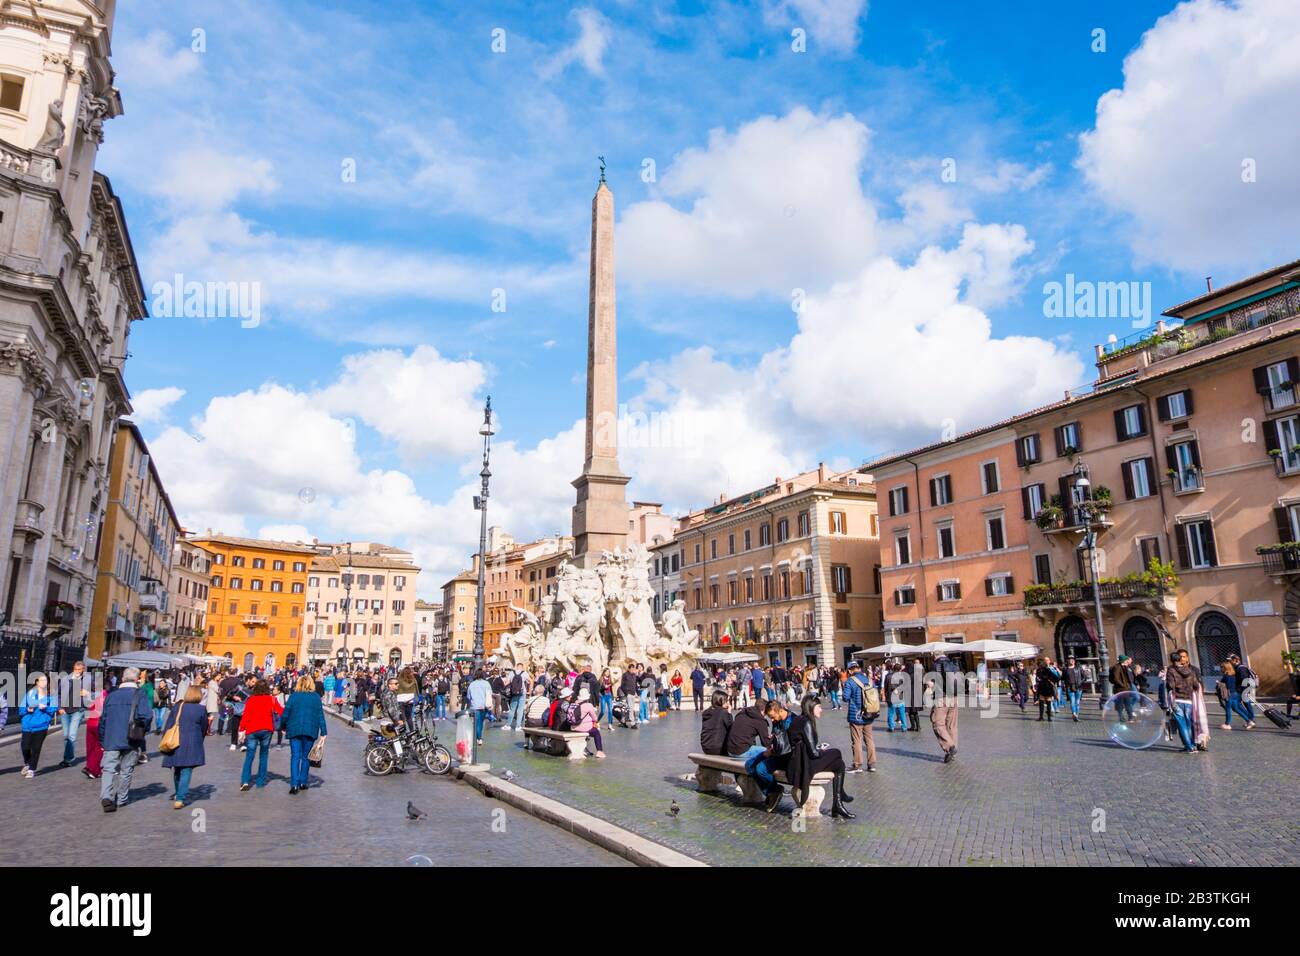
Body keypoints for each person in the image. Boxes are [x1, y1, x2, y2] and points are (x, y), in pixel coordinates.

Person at [788, 696, 855, 819]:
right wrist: (822, 751)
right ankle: (839, 799)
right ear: (811, 707)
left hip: (798, 762)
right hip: (806, 764)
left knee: (839, 764)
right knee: (836, 752)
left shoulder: (798, 719)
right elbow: (813, 753)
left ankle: (838, 803)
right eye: (819, 707)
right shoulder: (807, 722)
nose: (821, 710)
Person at [98, 667, 153, 811]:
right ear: (137, 680)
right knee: (126, 770)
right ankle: (122, 798)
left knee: (108, 769)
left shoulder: (111, 695)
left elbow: (103, 719)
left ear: (122, 679)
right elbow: (146, 716)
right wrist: (142, 731)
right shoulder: (140, 695)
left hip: (111, 738)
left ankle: (107, 797)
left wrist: (103, 738)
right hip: (131, 738)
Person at [161, 686, 208, 809]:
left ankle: (178, 793)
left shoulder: (178, 707)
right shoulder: (201, 709)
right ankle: (180, 798)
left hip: (176, 741)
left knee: (177, 769)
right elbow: (204, 727)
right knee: (186, 770)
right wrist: (200, 739)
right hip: (192, 742)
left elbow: (169, 725)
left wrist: (165, 740)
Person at [280, 675, 327, 794]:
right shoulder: (316, 697)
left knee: (295, 756)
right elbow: (320, 715)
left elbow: (286, 713)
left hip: (294, 729)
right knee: (306, 757)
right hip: (310, 729)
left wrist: (282, 726)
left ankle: (294, 784)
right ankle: (303, 782)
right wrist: (323, 732)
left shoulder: (294, 696)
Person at [745, 700, 793, 812]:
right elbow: (776, 738)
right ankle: (772, 792)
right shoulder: (776, 720)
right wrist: (772, 743)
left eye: (772, 717)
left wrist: (772, 751)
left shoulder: (791, 721)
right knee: (749, 765)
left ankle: (774, 791)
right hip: (775, 752)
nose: (771, 720)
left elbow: (789, 745)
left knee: (760, 769)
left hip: (786, 756)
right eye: (769, 717)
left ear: (780, 711)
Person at [238, 680, 282, 791]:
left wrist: (242, 729)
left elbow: (246, 715)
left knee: (249, 756)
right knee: (263, 755)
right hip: (267, 730)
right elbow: (281, 712)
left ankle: (245, 781)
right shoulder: (272, 699)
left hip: (252, 730)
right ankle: (261, 781)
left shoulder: (251, 700)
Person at [1165, 649, 1205, 754]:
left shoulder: (1171, 670)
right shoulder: (1190, 670)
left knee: (1182, 725)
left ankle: (1189, 747)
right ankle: (1192, 745)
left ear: (1171, 660)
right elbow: (1196, 685)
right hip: (1188, 700)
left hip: (1177, 700)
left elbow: (1171, 685)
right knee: (1188, 724)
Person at [842, 660, 878, 773]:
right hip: (869, 713)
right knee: (869, 739)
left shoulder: (850, 681)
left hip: (856, 714)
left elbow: (845, 697)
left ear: (850, 670)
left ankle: (857, 765)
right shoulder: (868, 680)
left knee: (856, 740)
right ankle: (872, 764)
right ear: (860, 669)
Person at [19, 674, 59, 777]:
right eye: (41, 680)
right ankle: (28, 763)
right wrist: (27, 709)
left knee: (36, 748)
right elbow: (21, 709)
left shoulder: (51, 695)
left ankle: (31, 769)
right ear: (37, 682)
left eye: (45, 681)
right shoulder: (30, 694)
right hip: (27, 725)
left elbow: (54, 709)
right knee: (25, 747)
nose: (44, 683)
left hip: (41, 725)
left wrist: (45, 708)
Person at [57, 660, 92, 768]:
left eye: (80, 670)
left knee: (71, 735)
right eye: (76, 669)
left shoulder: (88, 680)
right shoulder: (65, 679)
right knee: (66, 735)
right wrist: (59, 707)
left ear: (83, 670)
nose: (77, 672)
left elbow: (97, 693)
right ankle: (69, 756)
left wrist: (88, 694)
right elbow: (58, 694)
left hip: (78, 710)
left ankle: (67, 759)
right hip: (65, 710)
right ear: (73, 669)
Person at [930, 654, 960, 763]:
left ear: (934, 654)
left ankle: (950, 746)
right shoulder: (953, 664)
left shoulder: (935, 665)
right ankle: (952, 751)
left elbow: (931, 683)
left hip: (942, 698)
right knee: (952, 725)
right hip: (955, 697)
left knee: (937, 724)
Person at [1216, 660, 1255, 730]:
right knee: (1236, 708)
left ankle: (1227, 724)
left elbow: (1227, 685)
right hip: (1235, 693)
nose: (1220, 669)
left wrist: (1219, 683)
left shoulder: (1226, 676)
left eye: (1221, 667)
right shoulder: (1234, 675)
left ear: (1225, 668)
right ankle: (1249, 721)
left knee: (1228, 709)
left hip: (1229, 694)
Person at [568, 687, 604, 758]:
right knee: (596, 732)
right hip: (583, 728)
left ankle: (584, 749)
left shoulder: (574, 703)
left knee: (589, 728)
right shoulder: (588, 705)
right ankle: (599, 751)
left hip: (573, 727)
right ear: (587, 697)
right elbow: (595, 719)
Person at [83, 683, 107, 779]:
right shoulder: (104, 694)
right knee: (99, 747)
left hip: (90, 722)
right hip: (99, 723)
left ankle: (90, 767)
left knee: (91, 747)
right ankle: (93, 769)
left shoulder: (91, 695)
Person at [467, 669, 493, 744]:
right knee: (481, 722)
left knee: (476, 723)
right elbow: (489, 694)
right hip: (483, 706)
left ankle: (477, 737)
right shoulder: (486, 683)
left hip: (474, 706)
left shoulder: (472, 684)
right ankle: (479, 738)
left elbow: (469, 696)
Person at [1062, 656, 1084, 722]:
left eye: (1072, 660)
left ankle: (1076, 715)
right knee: (1072, 701)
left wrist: (1080, 682)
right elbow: (1063, 678)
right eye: (1070, 660)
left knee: (1077, 702)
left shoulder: (1079, 668)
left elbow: (1084, 677)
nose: (1071, 661)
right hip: (1069, 687)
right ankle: (1074, 713)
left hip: (1078, 687)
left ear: (1074, 661)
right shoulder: (1065, 669)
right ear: (1068, 661)